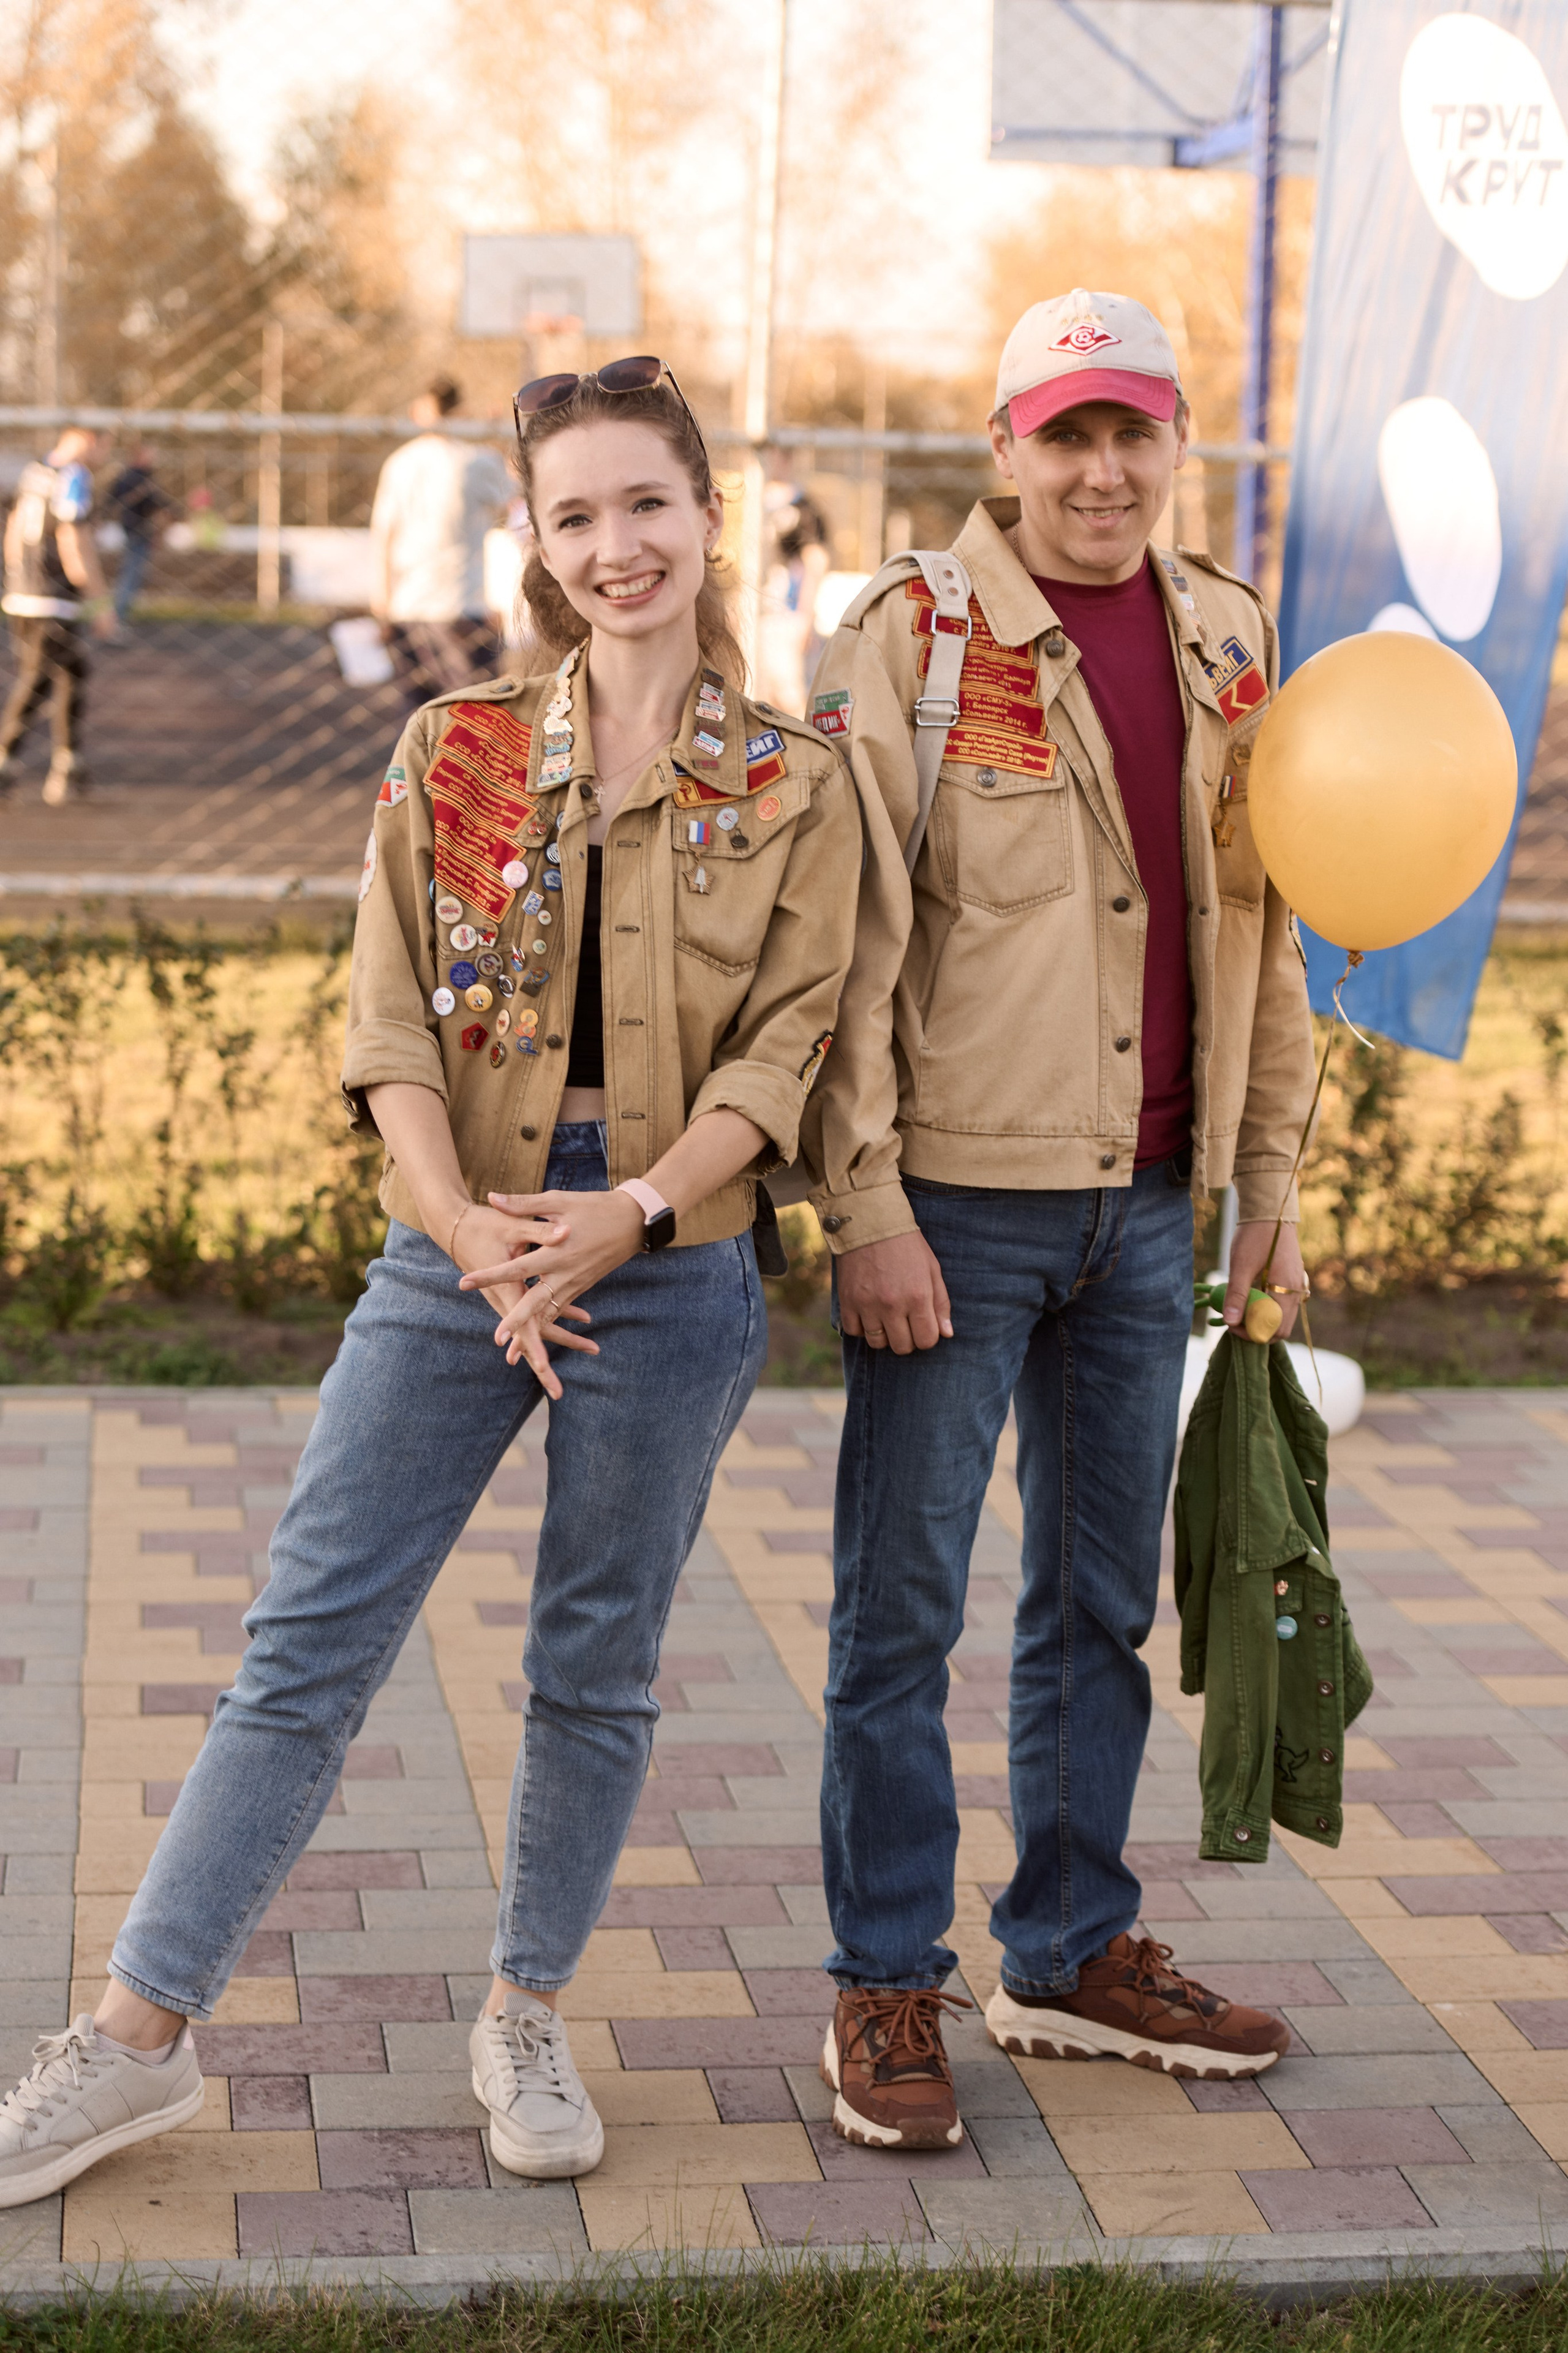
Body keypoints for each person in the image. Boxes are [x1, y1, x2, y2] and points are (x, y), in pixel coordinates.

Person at [0, 357, 860, 2207]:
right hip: (451, 1244)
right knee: (306, 1640)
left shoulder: (794, 782)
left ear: (706, 511)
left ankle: (525, 2011)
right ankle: (131, 2041)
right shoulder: (453, 749)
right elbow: (388, 1021)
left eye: (646, 502)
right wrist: (469, 1229)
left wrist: (625, 1209)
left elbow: (784, 1056)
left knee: (592, 1659)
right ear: (535, 546)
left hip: (670, 1258)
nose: (615, 545)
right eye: (574, 516)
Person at [799, 289, 1318, 2150]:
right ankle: (883, 1973)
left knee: (1094, 1602)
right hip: (950, 1204)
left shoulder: (1226, 639)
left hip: (1152, 1213)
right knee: (900, 1611)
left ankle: (1068, 1941)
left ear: (1173, 444)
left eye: (1135, 432)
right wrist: (859, 1201)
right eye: (1066, 433)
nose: (1102, 469)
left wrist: (1265, 1189)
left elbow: (1273, 926)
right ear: (1002, 447)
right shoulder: (913, 642)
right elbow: (839, 943)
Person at [371, 374, 514, 712]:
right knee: (474, 720)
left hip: (409, 608)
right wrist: (495, 436)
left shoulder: (400, 462)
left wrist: (382, 604)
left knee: (419, 724)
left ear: (417, 411)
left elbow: (384, 536)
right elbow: (515, 508)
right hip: (462, 607)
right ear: (461, 411)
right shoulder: (476, 460)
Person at [0, 426, 115, 803]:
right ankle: (7, 757)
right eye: (104, 447)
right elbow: (73, 540)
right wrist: (99, 601)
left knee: (71, 673)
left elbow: (14, 529)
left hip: (24, 595)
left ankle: (68, 761)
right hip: (54, 598)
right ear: (87, 441)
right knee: (39, 679)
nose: (104, 457)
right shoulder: (74, 476)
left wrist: (17, 577)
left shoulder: (36, 472)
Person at [105, 443, 174, 629]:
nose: (154, 459)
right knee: (131, 573)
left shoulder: (129, 477)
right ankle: (119, 614)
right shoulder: (139, 478)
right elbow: (160, 504)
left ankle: (121, 613)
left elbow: (111, 500)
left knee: (132, 572)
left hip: (134, 528)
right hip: (138, 529)